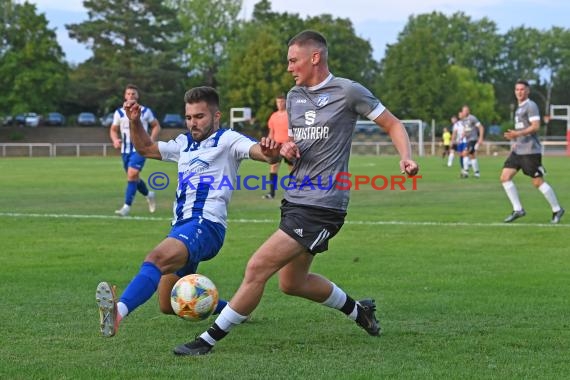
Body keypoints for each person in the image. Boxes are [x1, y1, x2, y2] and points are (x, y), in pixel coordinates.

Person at [173, 30, 419, 356]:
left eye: (293, 60)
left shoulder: (347, 91)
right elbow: (298, 145)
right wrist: (287, 148)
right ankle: (361, 312)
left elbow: (393, 123)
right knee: (292, 283)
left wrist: (406, 156)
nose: (289, 67)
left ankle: (206, 342)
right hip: (295, 199)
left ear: (314, 57)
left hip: (323, 205)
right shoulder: (293, 96)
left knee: (257, 267)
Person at [96, 86, 281, 337]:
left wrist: (269, 153)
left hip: (206, 226)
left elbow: (260, 152)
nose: (193, 123)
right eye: (189, 117)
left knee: (155, 259)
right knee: (169, 304)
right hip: (182, 226)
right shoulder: (183, 143)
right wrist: (135, 121)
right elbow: (145, 148)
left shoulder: (228, 140)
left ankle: (117, 311)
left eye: (200, 117)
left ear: (216, 116)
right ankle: (237, 310)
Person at [501, 79, 564, 224]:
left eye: (522, 89)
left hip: (530, 151)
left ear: (527, 91)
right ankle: (518, 209)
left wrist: (517, 134)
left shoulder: (531, 105)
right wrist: (516, 142)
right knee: (505, 177)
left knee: (537, 182)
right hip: (519, 150)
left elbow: (535, 126)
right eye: (517, 89)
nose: (519, 92)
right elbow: (522, 128)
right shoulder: (518, 108)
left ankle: (557, 209)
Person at [110, 84, 161, 216]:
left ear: (137, 96)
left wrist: (150, 140)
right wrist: (115, 140)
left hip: (140, 149)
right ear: (125, 96)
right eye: (128, 94)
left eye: (133, 94)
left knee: (132, 174)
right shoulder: (119, 112)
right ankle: (149, 194)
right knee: (133, 177)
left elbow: (156, 126)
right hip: (125, 150)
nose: (131, 96)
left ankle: (126, 207)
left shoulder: (145, 111)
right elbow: (113, 129)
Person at [262, 94, 293, 199]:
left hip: (288, 146)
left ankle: (293, 192)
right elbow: (271, 133)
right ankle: (271, 193)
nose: (279, 104)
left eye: (281, 102)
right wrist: (269, 144)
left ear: (285, 102)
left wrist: (291, 142)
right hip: (276, 146)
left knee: (292, 168)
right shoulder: (273, 116)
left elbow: (294, 131)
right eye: (278, 102)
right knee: (273, 167)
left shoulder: (290, 115)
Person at [459, 105, 484, 178]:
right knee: (472, 156)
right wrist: (464, 134)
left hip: (473, 139)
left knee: (464, 153)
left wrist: (481, 138)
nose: (465, 112)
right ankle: (477, 173)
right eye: (464, 110)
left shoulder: (472, 118)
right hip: (468, 140)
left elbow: (481, 127)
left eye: (467, 110)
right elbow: (467, 129)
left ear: (468, 111)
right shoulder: (463, 120)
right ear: (462, 112)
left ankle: (466, 171)